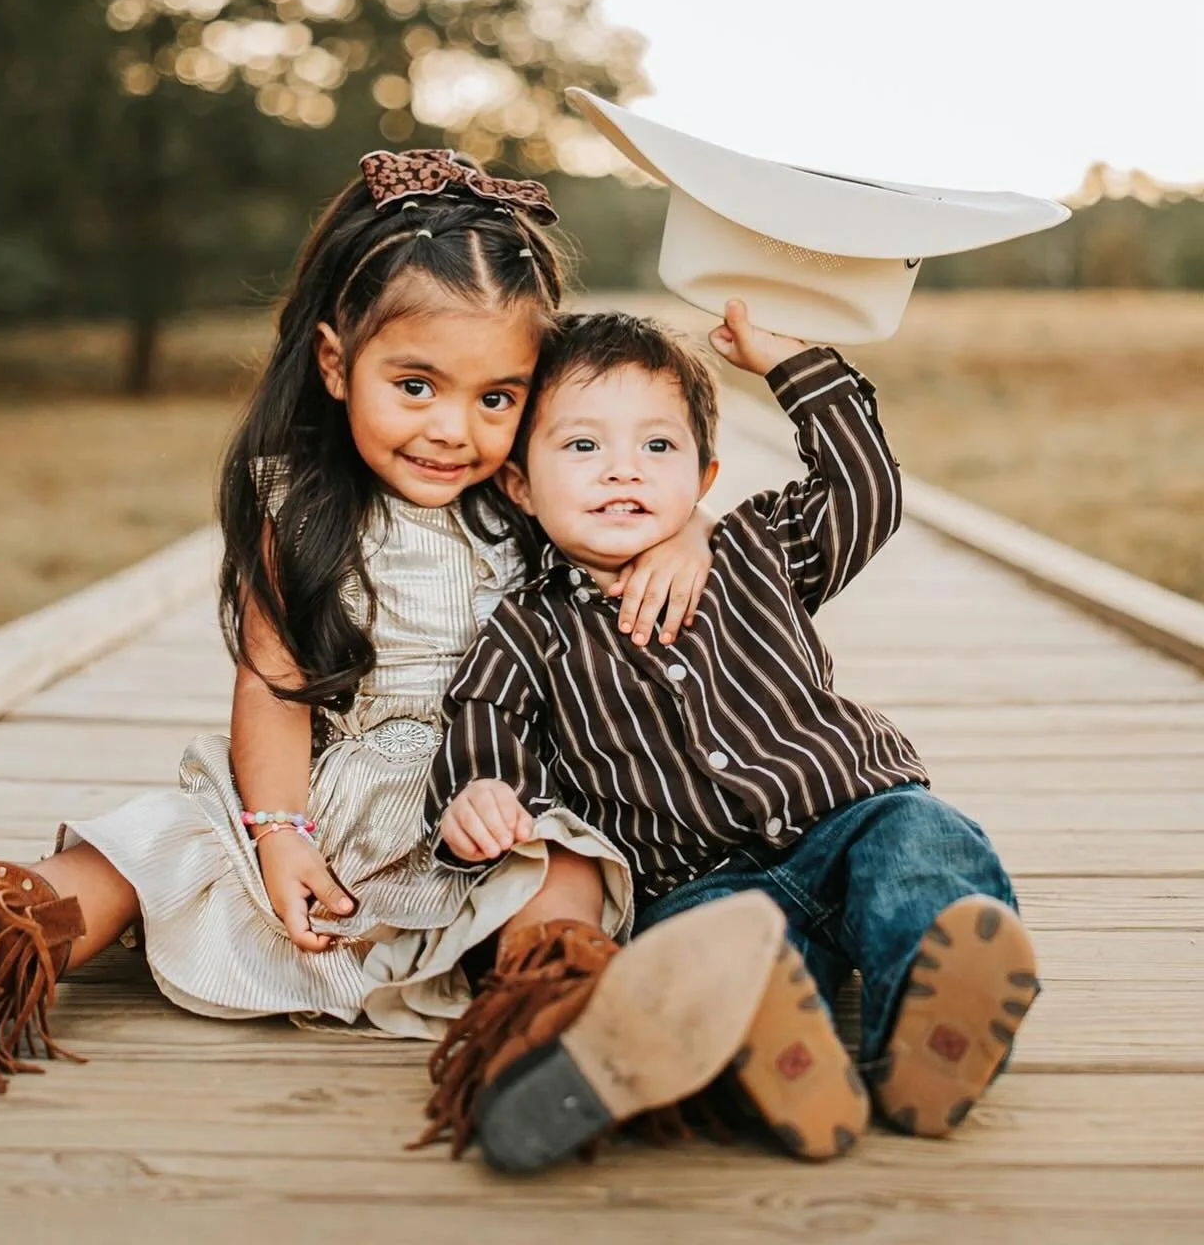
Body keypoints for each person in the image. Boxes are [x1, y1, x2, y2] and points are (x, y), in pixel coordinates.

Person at [0, 149, 736, 1095]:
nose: (453, 428)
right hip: (336, 804)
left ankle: (557, 1030)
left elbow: (636, 494)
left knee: (565, 869)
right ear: (336, 362)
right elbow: (273, 687)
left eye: (497, 397)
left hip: (495, 803)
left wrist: (688, 529)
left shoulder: (533, 494)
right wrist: (278, 833)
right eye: (416, 386)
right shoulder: (303, 512)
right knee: (137, 849)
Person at [423, 304, 1040, 1171]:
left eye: (658, 446)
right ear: (519, 485)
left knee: (926, 846)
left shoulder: (755, 548)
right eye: (583, 446)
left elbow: (865, 491)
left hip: (850, 813)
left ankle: (930, 1038)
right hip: (696, 882)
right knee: (705, 971)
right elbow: (485, 719)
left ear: (705, 475)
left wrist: (793, 365)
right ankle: (781, 1059)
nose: (624, 470)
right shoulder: (529, 630)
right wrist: (483, 792)